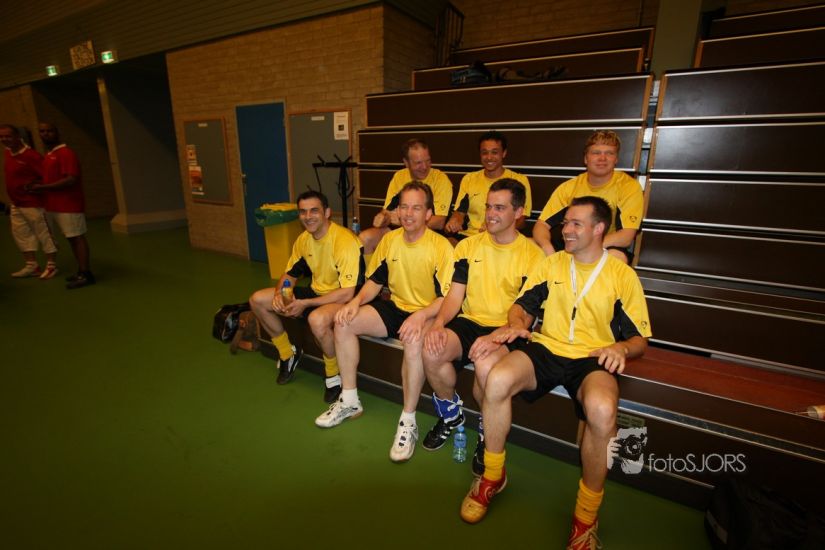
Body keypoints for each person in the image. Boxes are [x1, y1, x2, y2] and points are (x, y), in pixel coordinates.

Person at [459, 196, 652, 550]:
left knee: (602, 409)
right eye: (565, 223)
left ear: (599, 229)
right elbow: (522, 305)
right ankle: (492, 476)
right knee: (497, 379)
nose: (566, 230)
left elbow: (640, 339)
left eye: (576, 224)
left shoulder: (622, 276)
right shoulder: (552, 265)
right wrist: (516, 324)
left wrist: (621, 349)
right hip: (547, 347)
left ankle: (585, 516)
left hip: (593, 357)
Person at [315, 182, 454, 465]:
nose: (408, 213)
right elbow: (375, 281)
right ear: (397, 211)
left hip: (428, 312)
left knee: (413, 342)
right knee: (344, 322)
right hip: (396, 307)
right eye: (404, 207)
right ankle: (350, 399)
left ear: (428, 213)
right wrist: (355, 302)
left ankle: (408, 421)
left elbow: (448, 298)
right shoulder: (390, 240)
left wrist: (421, 316)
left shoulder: (441, 247)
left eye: (416, 208)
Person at [420, 179, 543, 473]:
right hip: (470, 320)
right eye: (488, 206)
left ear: (518, 212)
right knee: (431, 349)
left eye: (499, 208)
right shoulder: (468, 246)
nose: (490, 214)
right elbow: (455, 295)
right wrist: (438, 323)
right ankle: (451, 415)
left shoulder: (534, 255)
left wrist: (497, 337)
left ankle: (487, 431)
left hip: (507, 328)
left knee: (487, 367)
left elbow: (526, 314)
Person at [249, 190, 364, 403]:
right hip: (316, 292)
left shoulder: (344, 241)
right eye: (303, 212)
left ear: (327, 213)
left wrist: (306, 303)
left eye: (314, 211)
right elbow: (290, 275)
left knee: (316, 319)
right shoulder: (303, 240)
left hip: (346, 298)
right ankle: (287, 354)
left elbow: (348, 292)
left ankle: (333, 375)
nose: (308, 216)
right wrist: (281, 294)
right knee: (258, 300)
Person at [532, 130, 643, 264]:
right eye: (596, 153)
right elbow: (541, 225)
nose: (602, 158)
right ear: (585, 159)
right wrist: (547, 248)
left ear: (616, 159)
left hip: (605, 245)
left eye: (609, 153)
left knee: (616, 257)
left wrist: (585, 247)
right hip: (570, 242)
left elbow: (626, 237)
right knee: (530, 245)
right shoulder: (569, 187)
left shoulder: (629, 187)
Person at [358, 138, 452, 254]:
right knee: (365, 238)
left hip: (428, 232)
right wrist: (383, 219)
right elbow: (387, 212)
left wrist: (405, 221)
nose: (424, 167)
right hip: (399, 231)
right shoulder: (399, 177)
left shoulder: (441, 180)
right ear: (406, 163)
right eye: (418, 163)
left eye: (428, 161)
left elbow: (439, 222)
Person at [30, 123, 94, 289]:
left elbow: (71, 179)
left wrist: (43, 187)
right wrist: (38, 184)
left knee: (77, 238)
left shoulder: (65, 153)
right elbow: (52, 178)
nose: (45, 134)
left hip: (69, 204)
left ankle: (87, 274)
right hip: (55, 204)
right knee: (71, 238)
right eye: (42, 131)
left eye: (49, 131)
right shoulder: (49, 154)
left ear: (57, 133)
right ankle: (81, 271)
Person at [444, 130, 532, 241]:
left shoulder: (519, 180)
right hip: (469, 238)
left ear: (504, 153)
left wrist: (497, 227)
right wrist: (455, 220)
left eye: (494, 152)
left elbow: (521, 220)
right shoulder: (469, 179)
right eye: (484, 152)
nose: (489, 157)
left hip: (500, 238)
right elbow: (460, 211)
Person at [1, 124, 58, 279]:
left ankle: (51, 266)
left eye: (8, 136)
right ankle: (32, 266)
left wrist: (37, 186)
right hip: (16, 203)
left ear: (18, 137)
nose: (4, 139)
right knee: (21, 234)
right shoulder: (8, 152)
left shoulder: (32, 156)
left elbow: (47, 177)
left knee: (44, 234)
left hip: (34, 203)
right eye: (1, 137)